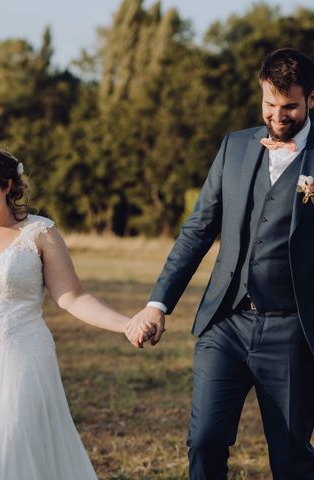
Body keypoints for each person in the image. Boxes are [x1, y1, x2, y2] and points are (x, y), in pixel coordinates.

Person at [126, 48, 314, 479]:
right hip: (225, 323)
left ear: (311, 100)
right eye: (269, 103)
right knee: (205, 441)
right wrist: (158, 305)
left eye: (289, 106)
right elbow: (197, 230)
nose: (278, 115)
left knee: (291, 461)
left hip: (291, 331)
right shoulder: (234, 146)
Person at [0, 144, 148, 479]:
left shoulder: (40, 233)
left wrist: (126, 324)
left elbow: (73, 297)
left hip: (21, 359)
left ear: (8, 185)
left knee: (11, 445)